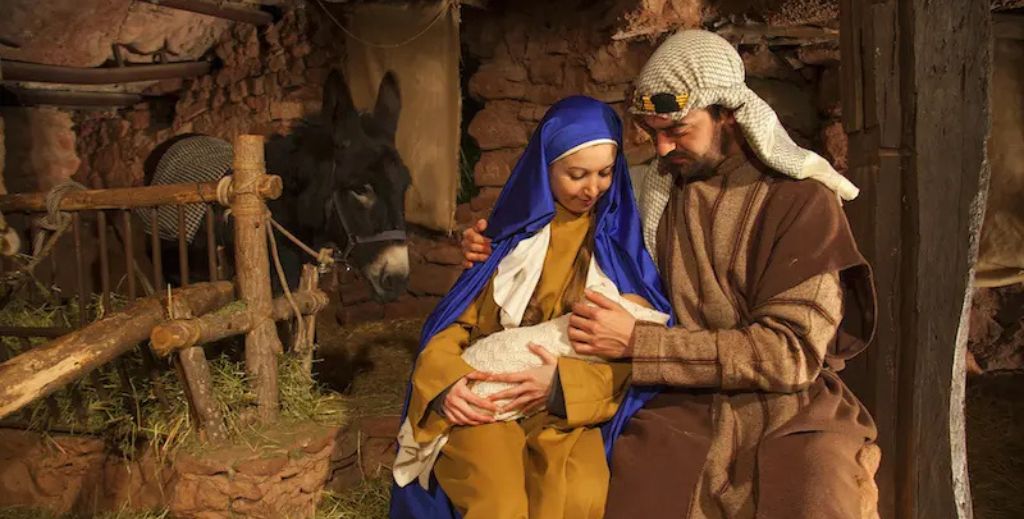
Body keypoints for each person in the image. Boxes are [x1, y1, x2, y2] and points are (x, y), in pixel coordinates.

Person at [459, 30, 881, 518]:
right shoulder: (652, 191)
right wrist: (490, 244)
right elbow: (554, 227)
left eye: (677, 130)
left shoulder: (802, 203)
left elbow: (790, 356)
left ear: (727, 112)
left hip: (793, 409)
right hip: (679, 404)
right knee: (627, 490)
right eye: (651, 132)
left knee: (817, 496)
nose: (661, 149)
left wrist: (638, 343)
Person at [389, 96, 673, 519]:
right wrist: (447, 386)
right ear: (546, 168)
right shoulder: (509, 238)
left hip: (566, 408)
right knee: (500, 504)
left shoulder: (619, 251)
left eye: (605, 174)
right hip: (489, 401)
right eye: (576, 175)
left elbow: (637, 352)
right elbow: (454, 326)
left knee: (579, 496)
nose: (592, 188)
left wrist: (560, 386)